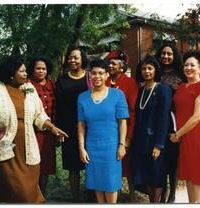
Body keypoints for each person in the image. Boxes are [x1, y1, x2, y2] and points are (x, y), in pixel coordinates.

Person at [0, 56, 68, 203]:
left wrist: (52, 128)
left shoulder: (29, 89)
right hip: (4, 147)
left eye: (26, 71)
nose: (26, 74)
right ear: (12, 73)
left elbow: (39, 115)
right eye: (22, 71)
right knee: (5, 192)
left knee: (28, 191)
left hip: (27, 148)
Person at [77, 59, 129, 203]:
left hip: (111, 148)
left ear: (107, 75)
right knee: (96, 184)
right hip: (92, 147)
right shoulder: (82, 98)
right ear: (89, 75)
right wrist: (82, 148)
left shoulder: (117, 95)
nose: (97, 76)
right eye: (94, 73)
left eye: (101, 73)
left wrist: (121, 145)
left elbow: (122, 122)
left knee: (111, 185)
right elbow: (81, 125)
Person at [170, 50, 200, 203]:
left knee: (198, 175)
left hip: (196, 135)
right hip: (183, 135)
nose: (188, 68)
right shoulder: (181, 87)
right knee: (188, 173)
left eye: (192, 65)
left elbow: (197, 117)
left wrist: (177, 134)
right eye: (186, 65)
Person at [132, 55, 172, 203]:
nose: (146, 71)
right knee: (144, 176)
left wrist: (159, 145)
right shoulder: (141, 90)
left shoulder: (163, 90)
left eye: (150, 68)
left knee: (156, 176)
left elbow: (164, 119)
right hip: (141, 142)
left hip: (155, 142)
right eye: (144, 68)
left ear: (156, 70)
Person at [55, 46, 91, 202]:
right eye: (70, 57)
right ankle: (75, 198)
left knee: (92, 164)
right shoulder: (62, 80)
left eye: (76, 57)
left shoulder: (90, 78)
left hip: (91, 128)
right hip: (69, 128)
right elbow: (59, 106)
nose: (72, 60)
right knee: (73, 166)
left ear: (82, 58)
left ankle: (93, 195)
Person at [104, 50, 138, 202]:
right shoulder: (104, 81)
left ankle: (132, 195)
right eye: (109, 63)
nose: (110, 66)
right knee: (110, 165)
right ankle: (111, 196)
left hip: (123, 131)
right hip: (106, 132)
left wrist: (129, 136)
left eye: (113, 63)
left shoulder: (130, 83)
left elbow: (132, 111)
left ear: (122, 66)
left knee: (128, 165)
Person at [155, 43, 184, 203]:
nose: (165, 57)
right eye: (163, 53)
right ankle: (163, 192)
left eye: (169, 54)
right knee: (161, 161)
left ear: (174, 56)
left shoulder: (180, 76)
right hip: (156, 122)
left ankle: (172, 194)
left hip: (173, 122)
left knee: (172, 160)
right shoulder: (155, 72)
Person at [27, 56, 57, 197]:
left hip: (49, 132)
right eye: (38, 68)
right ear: (32, 70)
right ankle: (31, 195)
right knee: (33, 165)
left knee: (45, 166)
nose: (41, 71)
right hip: (32, 131)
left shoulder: (52, 85)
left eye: (43, 68)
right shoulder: (27, 85)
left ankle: (42, 196)